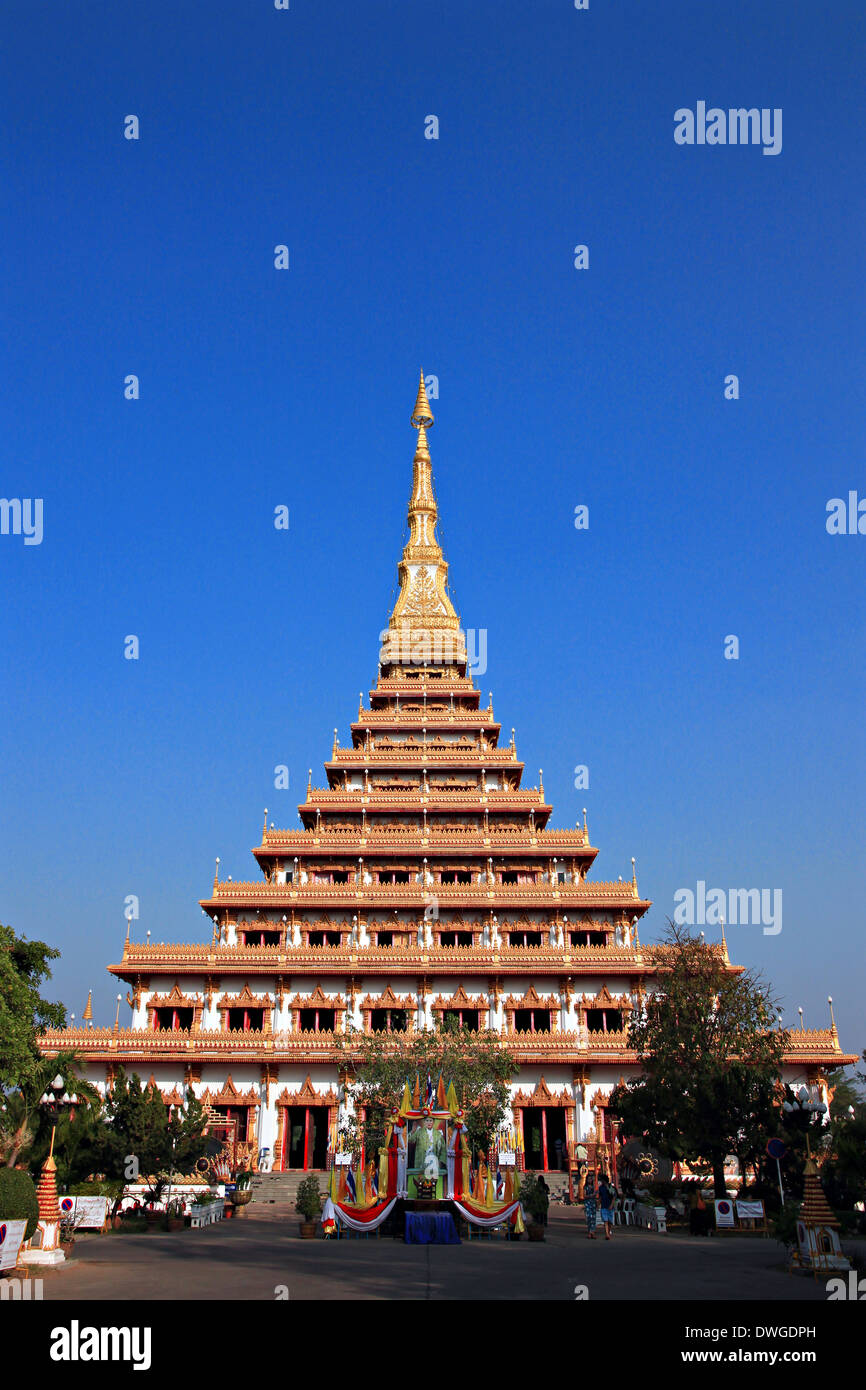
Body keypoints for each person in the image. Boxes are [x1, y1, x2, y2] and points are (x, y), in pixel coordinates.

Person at [598, 1171, 614, 1240]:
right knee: (605, 1221)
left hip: (610, 1205)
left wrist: (611, 1205)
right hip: (603, 1206)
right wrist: (598, 1204)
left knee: (610, 1221)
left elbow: (614, 1197)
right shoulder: (601, 1188)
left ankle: (608, 1231)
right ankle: (607, 1234)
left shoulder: (610, 1187)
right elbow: (600, 1197)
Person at [583, 1169, 598, 1239]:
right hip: (588, 1203)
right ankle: (589, 1231)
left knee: (593, 1218)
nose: (590, 1180)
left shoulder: (594, 1187)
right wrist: (590, 1195)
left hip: (593, 1203)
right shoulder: (585, 1187)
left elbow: (596, 1194)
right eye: (588, 1179)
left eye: (591, 1179)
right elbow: (584, 1195)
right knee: (589, 1217)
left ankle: (593, 1232)